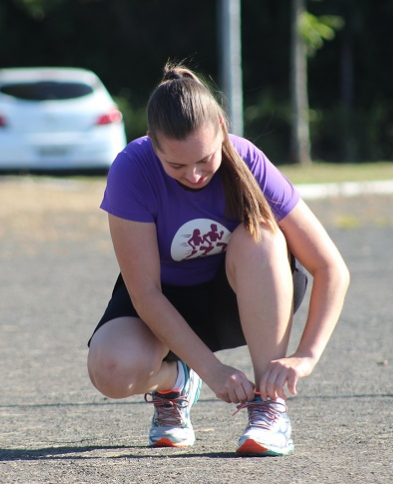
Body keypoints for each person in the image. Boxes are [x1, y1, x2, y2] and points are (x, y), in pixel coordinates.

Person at [86, 62, 350, 456]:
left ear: (223, 128)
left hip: (242, 298)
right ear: (151, 143)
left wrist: (306, 357)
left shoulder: (247, 159)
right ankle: (176, 381)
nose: (193, 175)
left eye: (204, 160)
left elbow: (331, 268)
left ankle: (268, 406)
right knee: (110, 370)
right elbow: (145, 293)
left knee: (259, 236)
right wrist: (210, 371)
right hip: (165, 305)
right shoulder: (132, 169)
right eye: (176, 165)